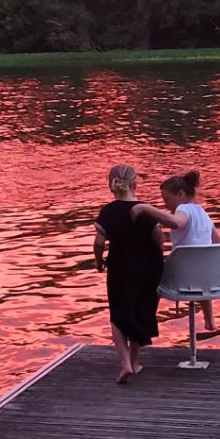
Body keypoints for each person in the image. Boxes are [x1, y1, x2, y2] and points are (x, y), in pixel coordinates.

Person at [93, 164, 165, 384]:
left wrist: (99, 262)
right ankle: (135, 363)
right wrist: (157, 257)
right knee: (140, 311)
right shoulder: (145, 210)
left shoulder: (108, 212)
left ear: (110, 186)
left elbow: (98, 242)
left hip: (119, 266)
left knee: (118, 314)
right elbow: (159, 238)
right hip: (145, 267)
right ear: (135, 184)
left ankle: (124, 364)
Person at [131, 170, 220, 332]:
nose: (165, 205)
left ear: (180, 194)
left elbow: (176, 223)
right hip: (205, 278)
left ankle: (147, 319)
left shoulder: (185, 209)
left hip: (182, 277)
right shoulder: (203, 214)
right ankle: (209, 320)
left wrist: (145, 209)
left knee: (152, 276)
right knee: (200, 270)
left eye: (166, 199)